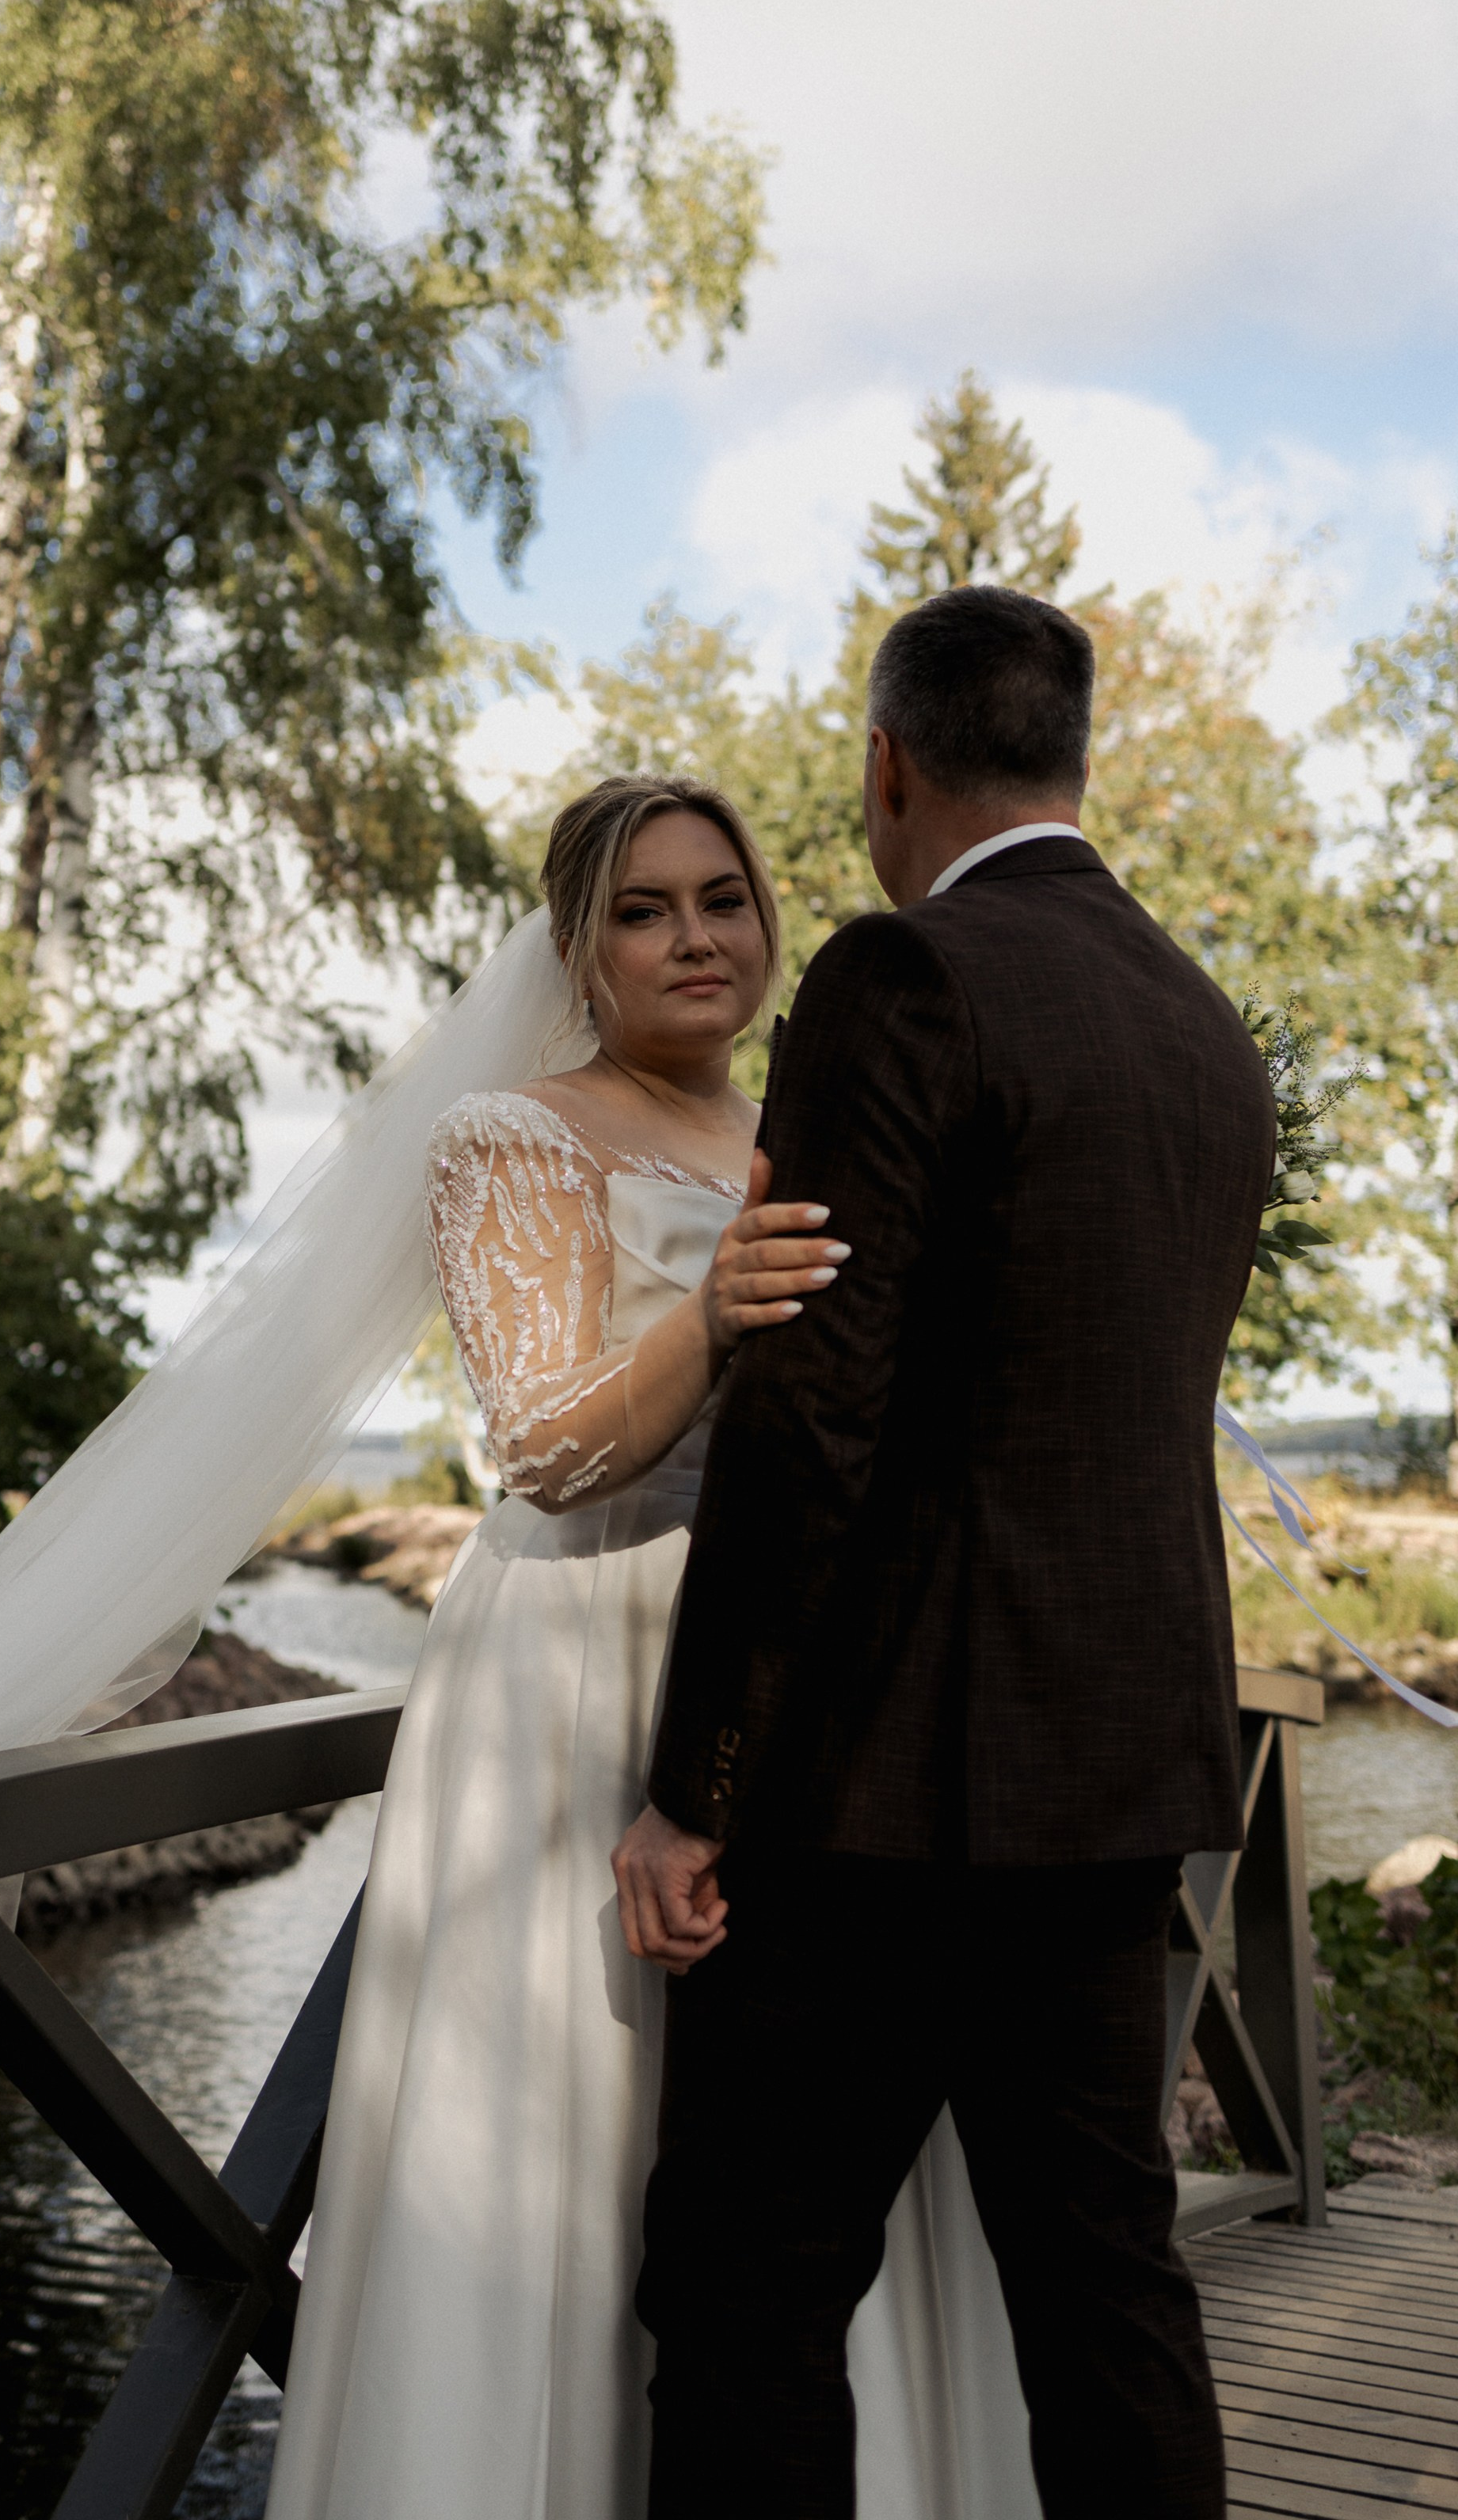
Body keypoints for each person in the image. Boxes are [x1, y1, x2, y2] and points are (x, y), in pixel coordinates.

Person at [267, 771, 1043, 2520]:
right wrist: (710, 1315)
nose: (696, 938)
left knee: (791, 2162)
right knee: (566, 2122)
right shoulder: (511, 1138)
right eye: (643, 910)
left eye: (724, 899)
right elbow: (540, 1447)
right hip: (577, 1670)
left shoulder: (813, 1124)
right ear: (578, 952)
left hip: (795, 1673)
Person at [615, 586, 1276, 2518]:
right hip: (1117, 1779)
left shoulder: (904, 977)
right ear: (1078, 757)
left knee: (743, 2294)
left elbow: (814, 1420)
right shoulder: (1200, 1024)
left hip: (879, 1803)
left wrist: (694, 1788)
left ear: (887, 764)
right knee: (1105, 2290)